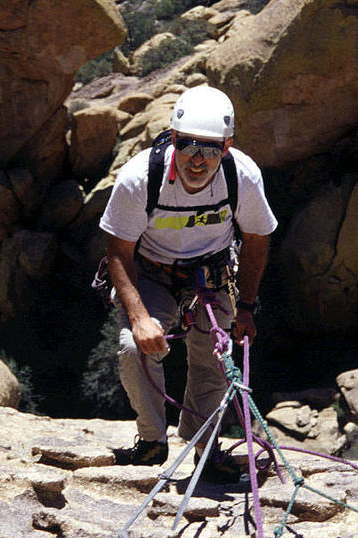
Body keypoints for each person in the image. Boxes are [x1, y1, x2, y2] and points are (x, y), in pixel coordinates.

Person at [99, 86, 277, 483]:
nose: (199, 160)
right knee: (134, 346)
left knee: (215, 358)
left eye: (211, 149)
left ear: (227, 146)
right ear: (174, 139)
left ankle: (205, 449)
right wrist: (141, 317)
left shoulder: (241, 176)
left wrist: (246, 307)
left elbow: (257, 239)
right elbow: (118, 252)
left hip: (210, 273)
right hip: (151, 270)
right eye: (190, 147)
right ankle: (151, 442)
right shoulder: (139, 178)